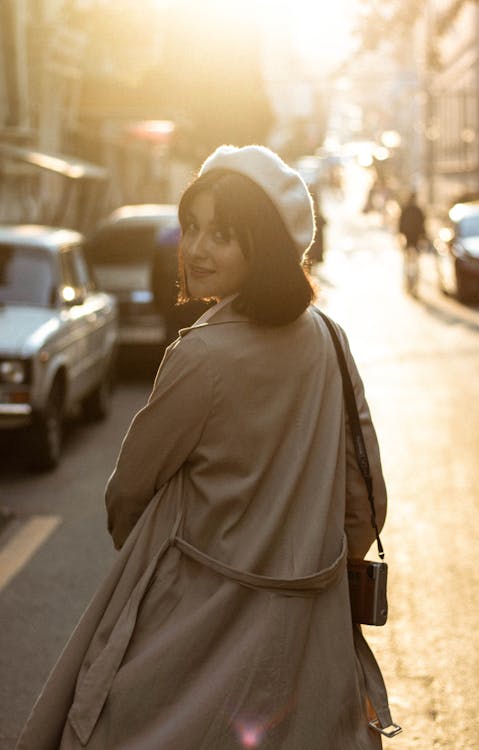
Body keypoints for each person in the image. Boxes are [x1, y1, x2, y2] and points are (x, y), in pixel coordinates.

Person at [17, 145, 396, 750]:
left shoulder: (201, 354)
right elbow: (365, 491)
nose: (195, 249)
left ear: (265, 245)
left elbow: (128, 493)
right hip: (310, 622)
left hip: (197, 619)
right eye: (191, 226)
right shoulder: (329, 337)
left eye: (222, 234)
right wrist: (312, 568)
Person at [398, 192, 426, 294]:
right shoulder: (417, 210)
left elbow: (400, 226)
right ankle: (411, 285)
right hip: (413, 241)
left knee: (410, 264)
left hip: (411, 241)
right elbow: (423, 227)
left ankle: (411, 285)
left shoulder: (407, 210)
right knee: (412, 264)